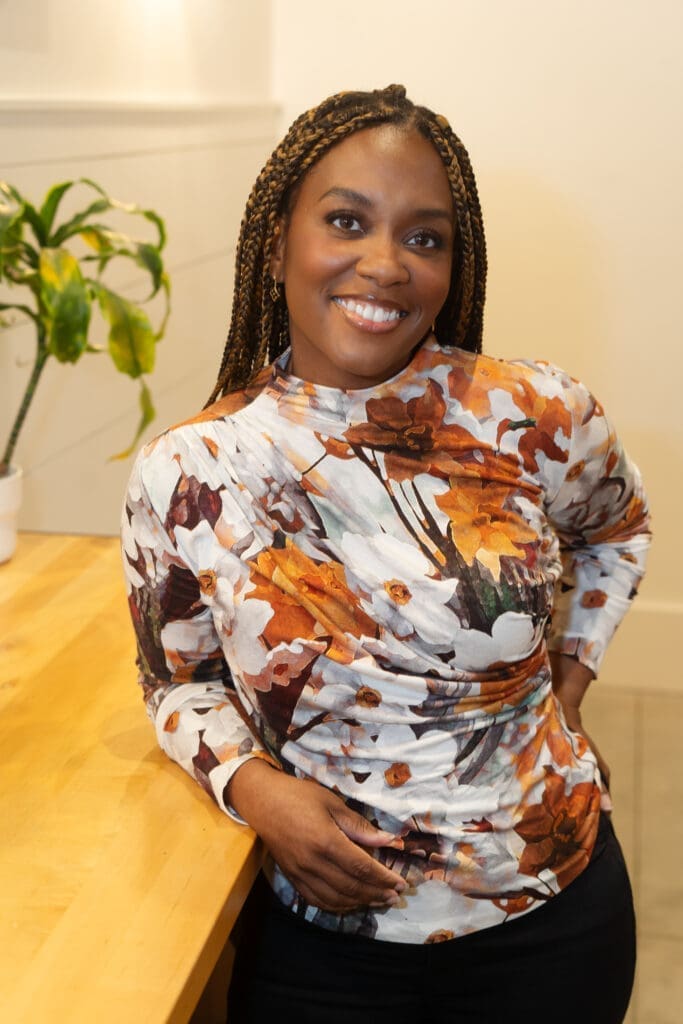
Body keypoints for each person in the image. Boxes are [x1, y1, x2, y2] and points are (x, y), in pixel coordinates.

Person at [121, 85, 650, 1023]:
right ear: (278, 243)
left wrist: (565, 689)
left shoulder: (531, 414)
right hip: (323, 951)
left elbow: (615, 528)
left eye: (424, 237)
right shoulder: (191, 469)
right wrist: (254, 790)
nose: (385, 264)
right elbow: (178, 684)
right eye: (346, 221)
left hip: (553, 921)